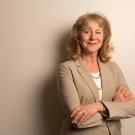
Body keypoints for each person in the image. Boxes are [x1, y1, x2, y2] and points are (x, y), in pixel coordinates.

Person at [57, 12, 135, 135]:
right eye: (87, 32)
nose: (93, 37)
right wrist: (115, 106)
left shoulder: (113, 67)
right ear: (77, 36)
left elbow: (132, 107)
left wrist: (99, 106)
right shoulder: (67, 69)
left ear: (104, 37)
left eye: (98, 32)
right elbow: (77, 120)